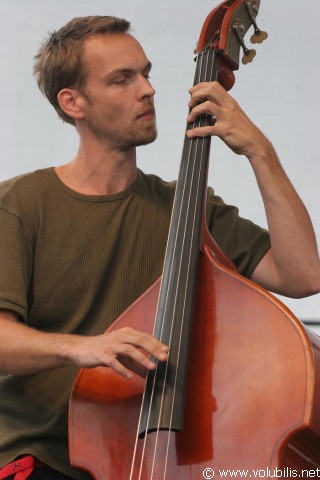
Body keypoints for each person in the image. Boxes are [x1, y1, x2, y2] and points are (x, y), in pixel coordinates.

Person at [0, 15, 319, 480]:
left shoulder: (190, 210)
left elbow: (304, 275)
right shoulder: (18, 204)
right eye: (121, 80)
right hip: (45, 459)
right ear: (73, 102)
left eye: (145, 73)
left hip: (165, 455)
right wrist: (85, 349)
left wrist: (259, 151)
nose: (147, 90)